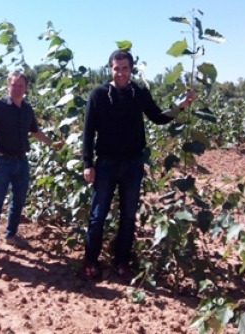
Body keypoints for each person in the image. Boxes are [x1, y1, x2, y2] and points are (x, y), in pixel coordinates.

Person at [82, 50, 195, 281]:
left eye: (125, 68)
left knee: (128, 215)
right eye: (116, 68)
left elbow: (158, 117)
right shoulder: (99, 94)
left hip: (133, 164)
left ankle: (121, 262)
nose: (121, 73)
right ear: (110, 69)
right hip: (105, 164)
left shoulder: (139, 93)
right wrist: (88, 163)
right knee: (97, 215)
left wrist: (180, 106)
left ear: (131, 69)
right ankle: (90, 262)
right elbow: (88, 131)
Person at [0, 71, 60, 258]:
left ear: (26, 88)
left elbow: (35, 131)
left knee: (19, 200)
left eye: (21, 86)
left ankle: (11, 234)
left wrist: (53, 144)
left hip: (21, 161)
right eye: (14, 85)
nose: (17, 89)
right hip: (2, 160)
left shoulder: (26, 109)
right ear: (8, 85)